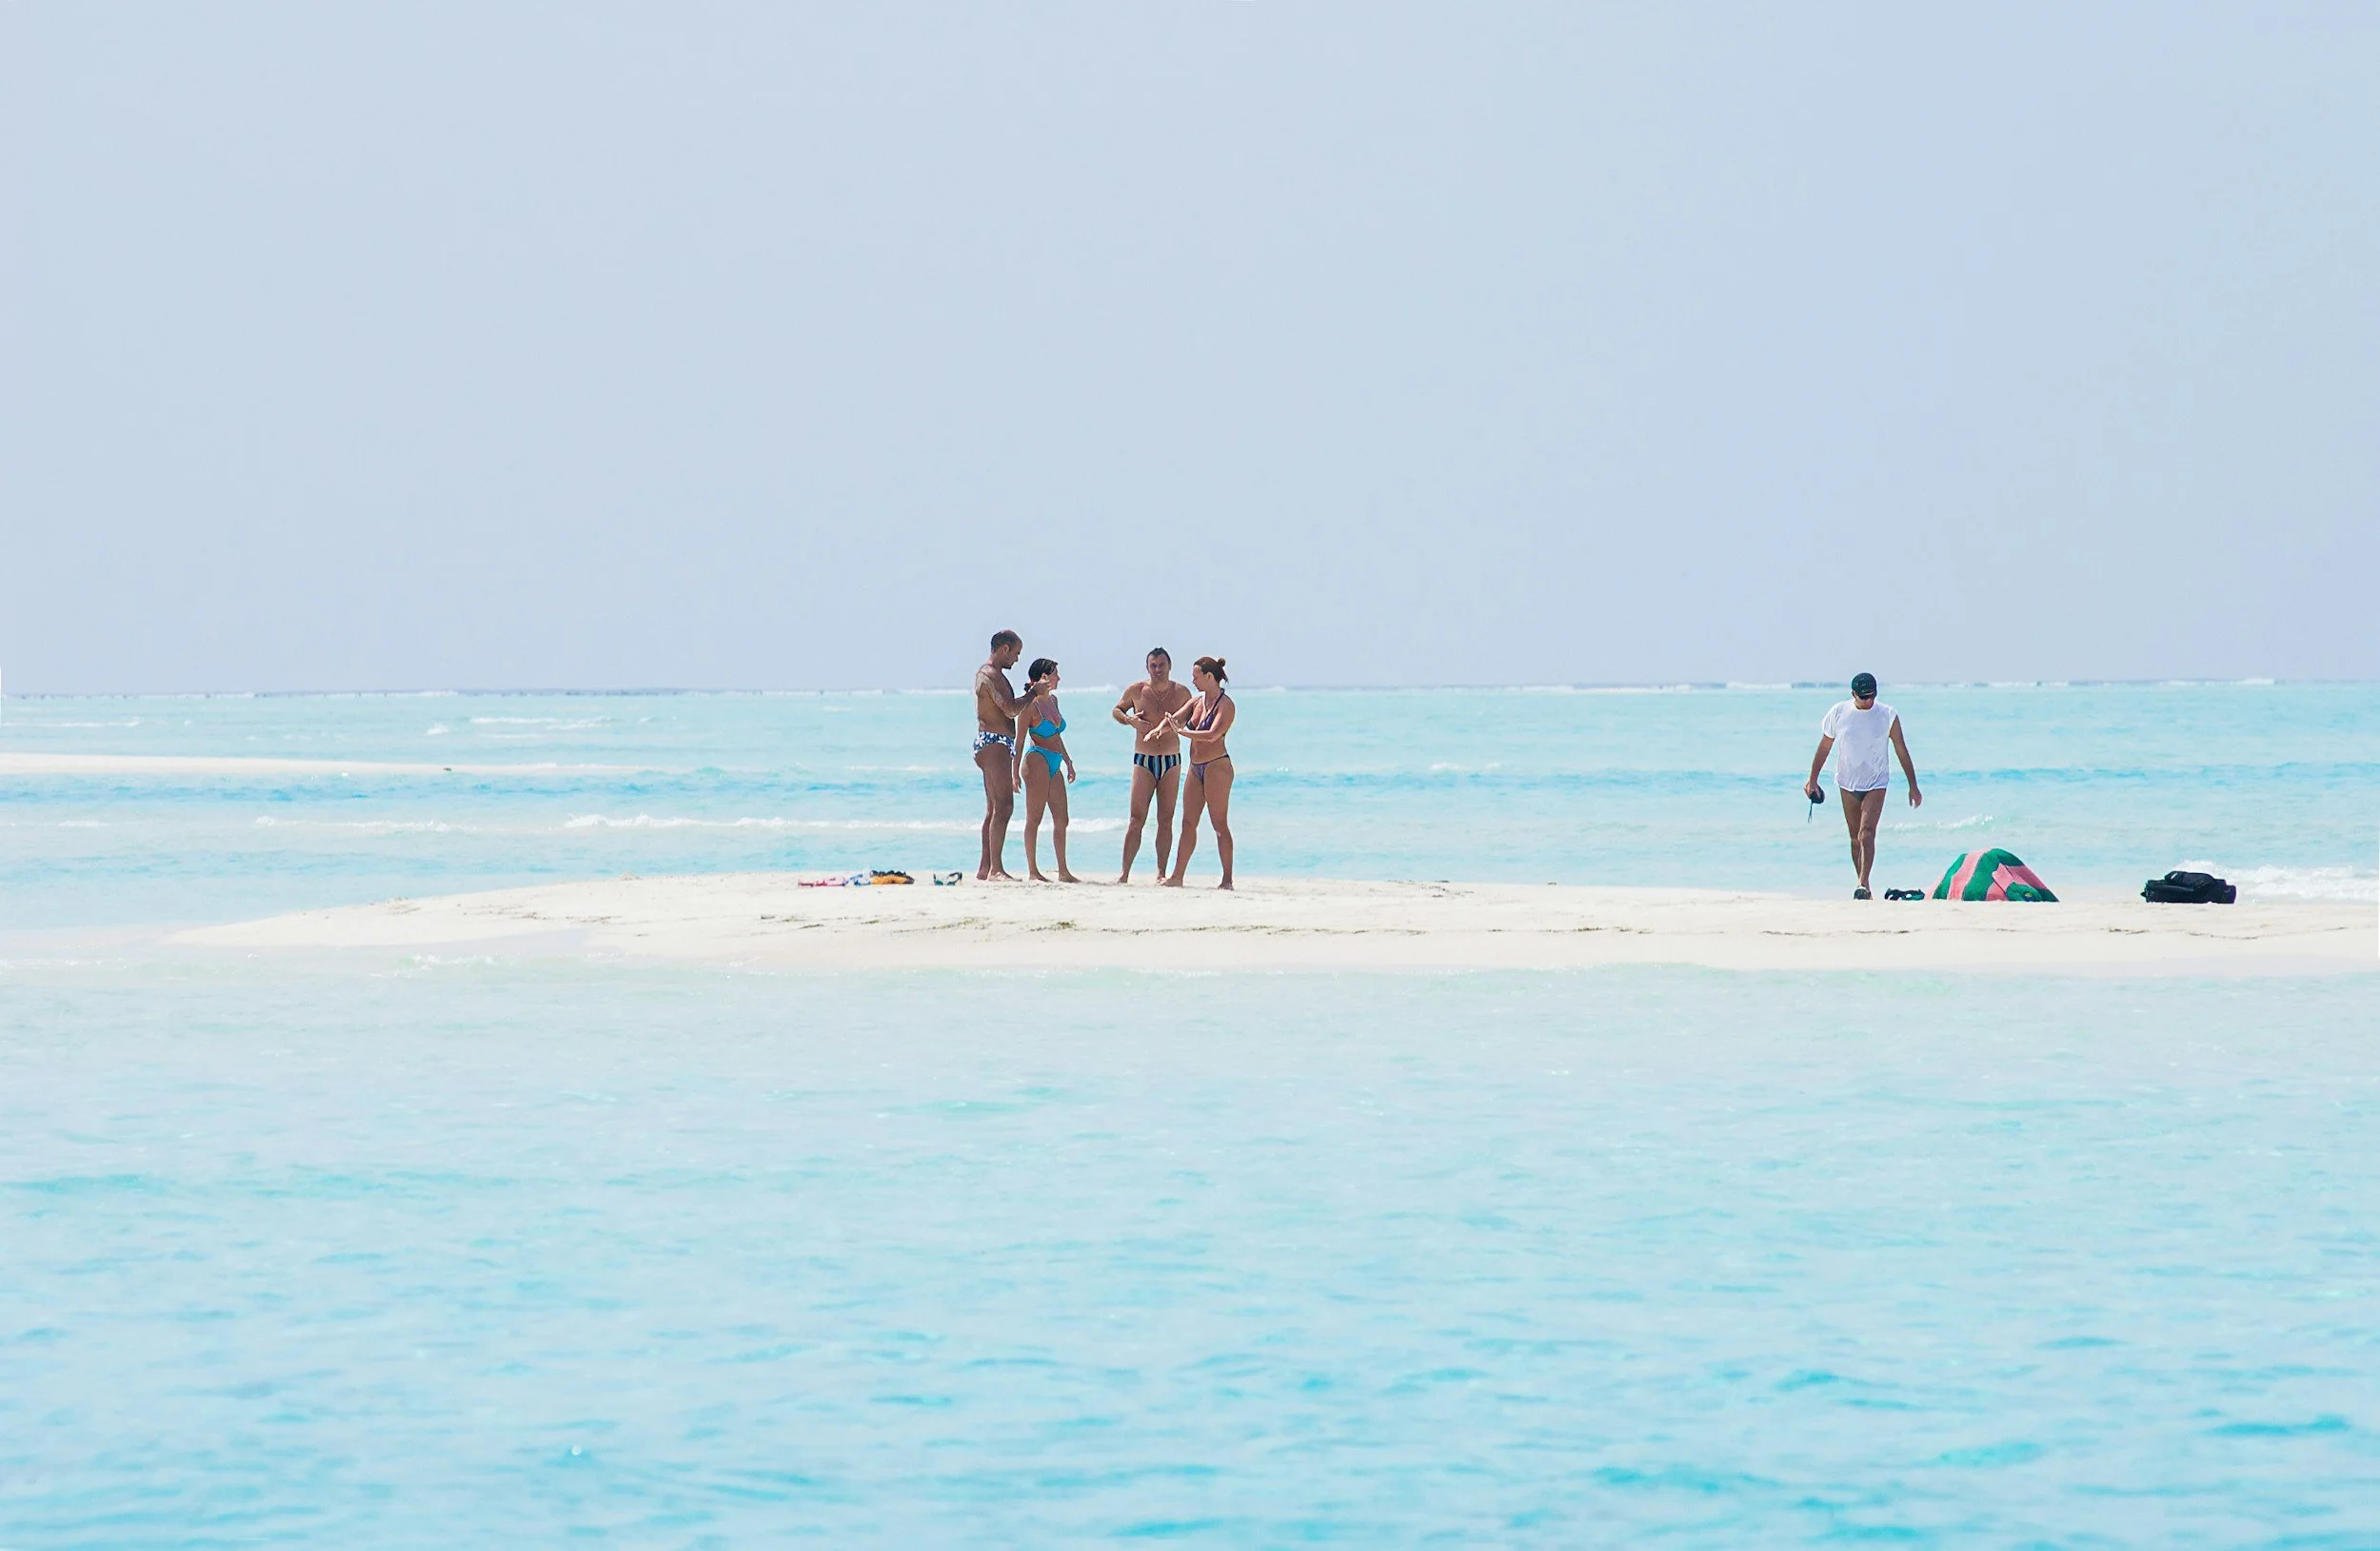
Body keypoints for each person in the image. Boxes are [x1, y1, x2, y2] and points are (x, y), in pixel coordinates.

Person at [1804, 671, 1921, 899]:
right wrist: (1813, 779)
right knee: (1854, 838)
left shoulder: (1888, 715)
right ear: (1853, 694)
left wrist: (1913, 785)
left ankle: (1862, 882)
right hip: (1847, 782)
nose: (1869, 702)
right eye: (1864, 697)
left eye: (1873, 696)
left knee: (1867, 833)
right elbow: (1825, 747)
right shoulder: (1839, 712)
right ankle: (1864, 889)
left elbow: (1901, 749)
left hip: (1876, 781)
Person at [1110, 646, 1194, 884]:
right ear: (1148, 668)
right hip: (1144, 760)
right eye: (1153, 666)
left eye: (1162, 665)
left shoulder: (1181, 692)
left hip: (1171, 760)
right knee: (1136, 819)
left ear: (1170, 666)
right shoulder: (1137, 690)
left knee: (1166, 819)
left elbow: (1191, 718)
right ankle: (1124, 873)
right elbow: (1117, 709)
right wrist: (1129, 720)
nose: (1158, 670)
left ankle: (1161, 872)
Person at [1151, 656, 1235, 890]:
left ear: (1209, 677)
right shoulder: (1197, 702)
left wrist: (1183, 733)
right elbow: (1176, 718)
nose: (1193, 680)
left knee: (1219, 824)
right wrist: (1159, 729)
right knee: (1188, 823)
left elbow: (1212, 734)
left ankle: (1227, 879)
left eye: (1196, 676)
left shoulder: (1226, 705)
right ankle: (1177, 876)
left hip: (1217, 765)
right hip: (1195, 767)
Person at [972, 629, 1034, 880]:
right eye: (1016, 653)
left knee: (993, 809)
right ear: (1004, 649)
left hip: (992, 742)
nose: (1017, 660)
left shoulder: (990, 674)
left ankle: (985, 868)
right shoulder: (991, 675)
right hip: (994, 743)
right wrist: (1033, 695)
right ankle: (996, 869)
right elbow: (1009, 710)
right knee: (1005, 806)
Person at [1017, 658, 1081, 883]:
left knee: (1062, 819)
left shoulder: (1053, 700)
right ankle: (1033, 871)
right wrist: (1014, 772)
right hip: (1037, 760)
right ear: (1043, 677)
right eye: (1055, 673)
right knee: (1034, 818)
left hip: (1055, 761)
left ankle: (1063, 871)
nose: (1059, 678)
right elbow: (1019, 740)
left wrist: (1069, 761)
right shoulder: (1029, 705)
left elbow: (1056, 735)